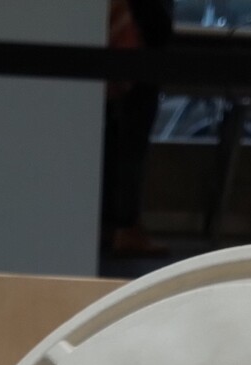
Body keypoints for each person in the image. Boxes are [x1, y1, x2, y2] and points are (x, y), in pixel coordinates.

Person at [101, 0, 174, 257]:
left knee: (120, 143)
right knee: (130, 145)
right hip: (140, 53)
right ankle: (125, 225)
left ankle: (116, 225)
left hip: (135, 49)